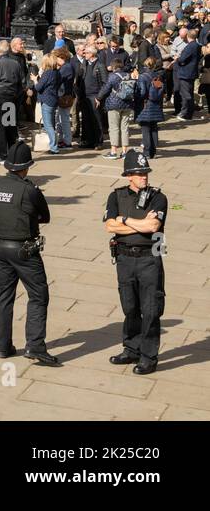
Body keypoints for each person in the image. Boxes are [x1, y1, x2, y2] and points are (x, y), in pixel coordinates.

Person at [0, 141, 60, 366]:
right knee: (38, 295)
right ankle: (35, 346)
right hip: (24, 250)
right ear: (26, 166)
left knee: (4, 297)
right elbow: (45, 216)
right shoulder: (29, 189)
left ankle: (3, 346)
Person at [103, 150, 168, 375]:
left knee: (150, 309)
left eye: (146, 173)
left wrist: (124, 220)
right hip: (124, 258)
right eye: (139, 173)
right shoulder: (116, 196)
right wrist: (136, 223)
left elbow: (152, 228)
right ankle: (131, 348)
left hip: (149, 259)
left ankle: (149, 356)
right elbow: (109, 226)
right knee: (129, 306)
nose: (144, 177)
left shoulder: (158, 197)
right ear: (128, 175)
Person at [0, 40, 26, 164]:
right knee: (10, 125)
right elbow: (22, 82)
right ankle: (13, 153)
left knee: (0, 126)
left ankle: (3, 155)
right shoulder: (16, 63)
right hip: (12, 97)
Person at [99, 59, 138, 159]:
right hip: (127, 104)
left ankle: (113, 151)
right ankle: (125, 151)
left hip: (114, 104)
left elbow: (106, 89)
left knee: (113, 128)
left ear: (113, 67)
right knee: (125, 128)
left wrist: (98, 98)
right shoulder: (128, 75)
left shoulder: (112, 76)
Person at [77, 43, 106, 150]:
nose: (84, 54)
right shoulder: (85, 63)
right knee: (86, 119)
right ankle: (88, 140)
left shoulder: (100, 65)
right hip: (85, 96)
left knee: (96, 120)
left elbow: (105, 83)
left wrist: (99, 97)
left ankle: (98, 142)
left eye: (87, 52)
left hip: (94, 96)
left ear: (92, 54)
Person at [136, 57, 165, 158]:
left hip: (145, 105)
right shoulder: (158, 76)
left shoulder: (142, 76)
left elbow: (143, 92)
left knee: (145, 129)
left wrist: (137, 98)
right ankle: (153, 151)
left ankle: (147, 152)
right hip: (156, 105)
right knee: (153, 128)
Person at [34, 53, 62, 155]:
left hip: (46, 100)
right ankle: (53, 145)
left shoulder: (47, 73)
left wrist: (35, 80)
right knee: (51, 124)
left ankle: (54, 148)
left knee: (48, 125)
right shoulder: (57, 73)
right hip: (54, 99)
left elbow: (38, 88)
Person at [173, 26, 202, 120]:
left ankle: (184, 113)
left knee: (186, 94)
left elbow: (182, 59)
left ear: (187, 36)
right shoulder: (197, 45)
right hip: (191, 73)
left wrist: (177, 58)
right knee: (189, 93)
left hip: (185, 73)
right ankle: (189, 114)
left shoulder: (190, 46)